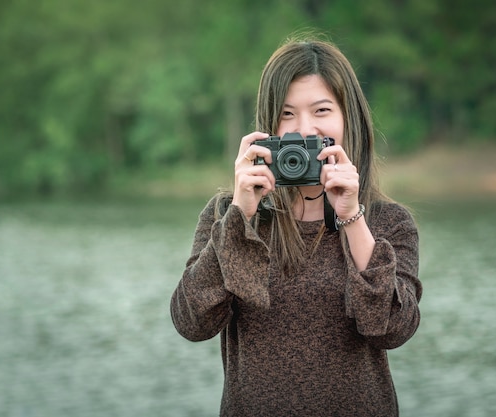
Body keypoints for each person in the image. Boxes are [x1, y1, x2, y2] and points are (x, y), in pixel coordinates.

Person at [170, 34, 422, 417]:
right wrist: (241, 215)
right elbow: (192, 322)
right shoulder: (229, 214)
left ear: (347, 117)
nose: (304, 130)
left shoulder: (388, 221)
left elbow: (392, 328)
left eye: (321, 111)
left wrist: (353, 217)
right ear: (267, 126)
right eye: (287, 114)